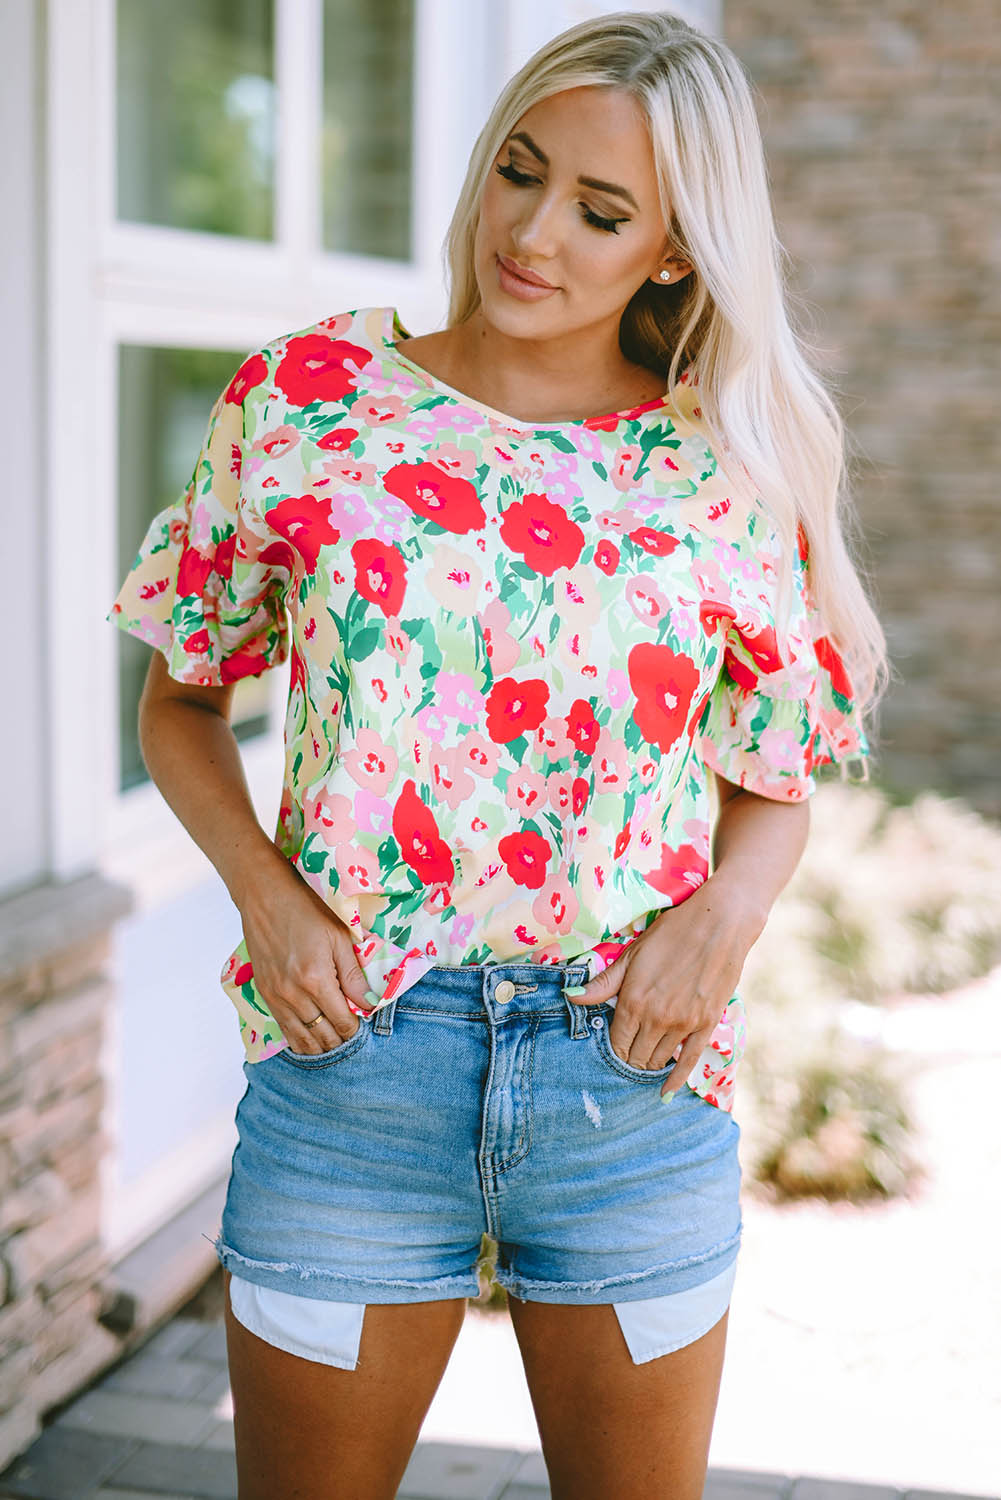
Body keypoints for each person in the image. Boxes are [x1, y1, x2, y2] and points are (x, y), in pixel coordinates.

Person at [106, 9, 886, 1499]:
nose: (530, 235)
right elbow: (181, 701)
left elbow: (775, 780)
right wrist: (269, 904)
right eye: (519, 173)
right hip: (350, 1065)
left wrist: (722, 923)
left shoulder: (721, 468)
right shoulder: (310, 403)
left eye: (599, 210)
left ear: (674, 252)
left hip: (627, 1078)